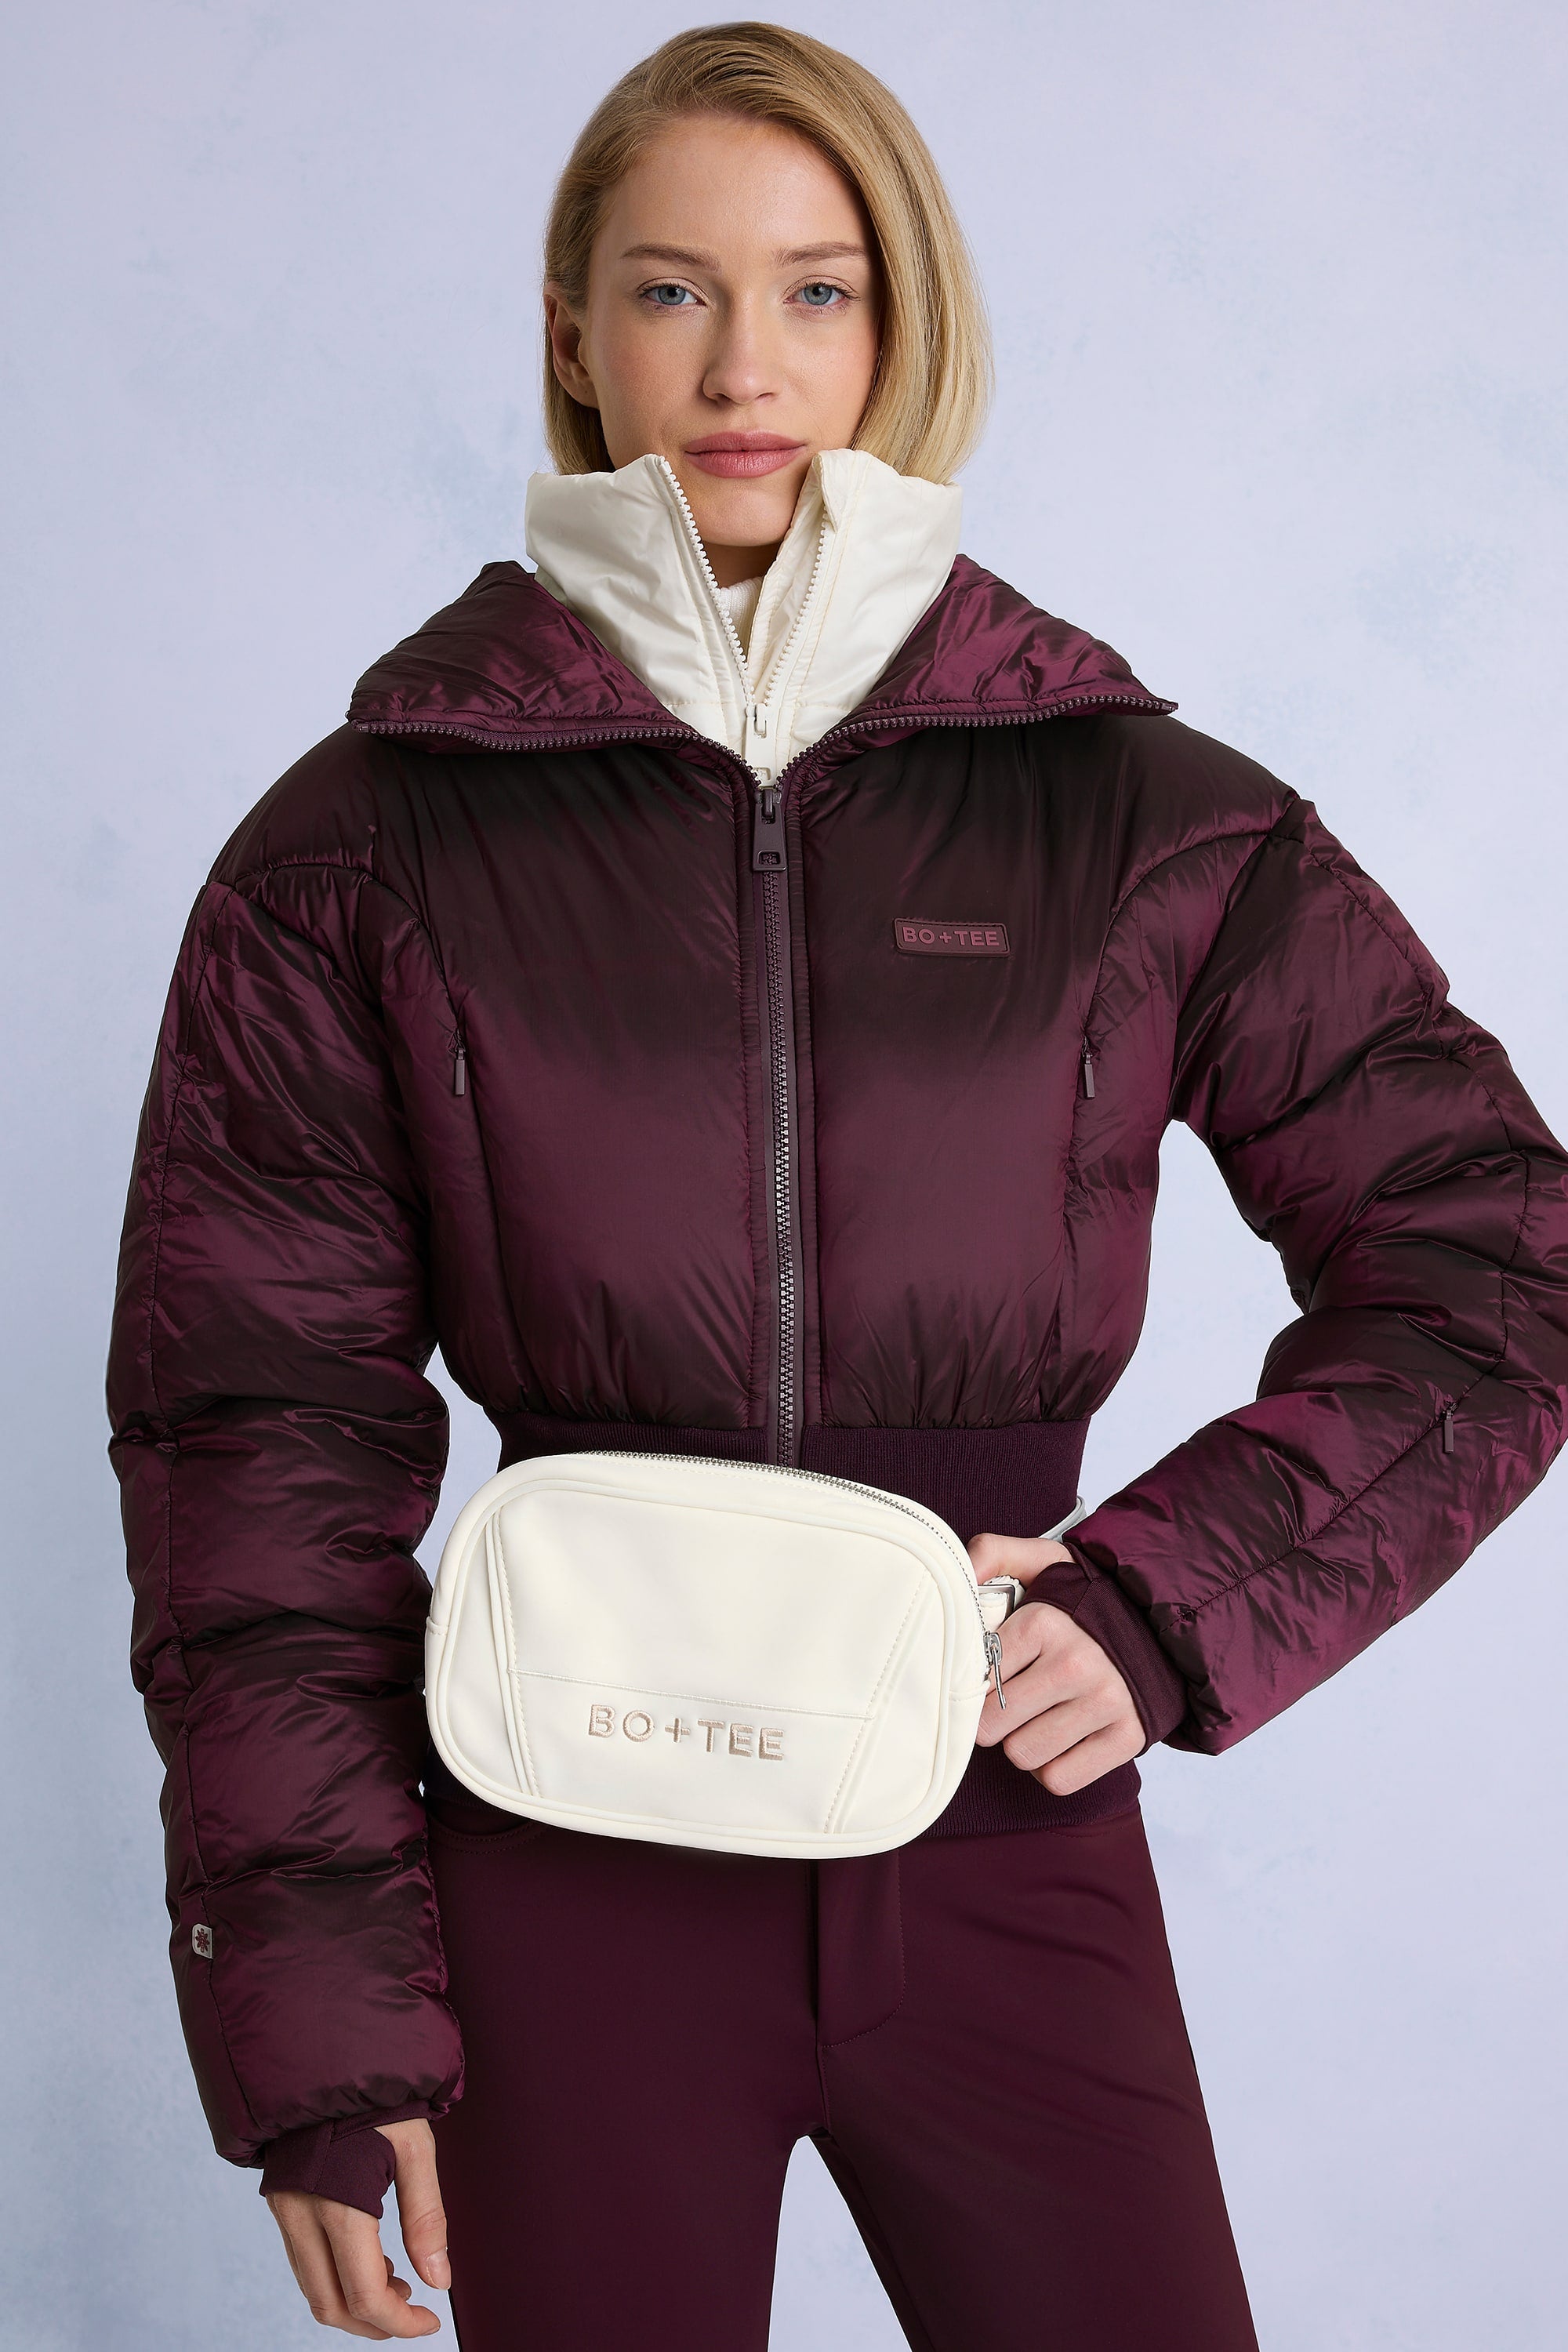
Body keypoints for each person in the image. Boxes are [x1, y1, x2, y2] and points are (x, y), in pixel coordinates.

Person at [107, 20, 1568, 2350]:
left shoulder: (1144, 814)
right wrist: (319, 2023)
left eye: (816, 289)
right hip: (557, 1878)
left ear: (904, 322)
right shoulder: (357, 847)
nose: (743, 367)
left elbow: (1500, 1264)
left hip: (1002, 1840)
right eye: (671, 290)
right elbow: (253, 1444)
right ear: (574, 333)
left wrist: (1171, 1604)